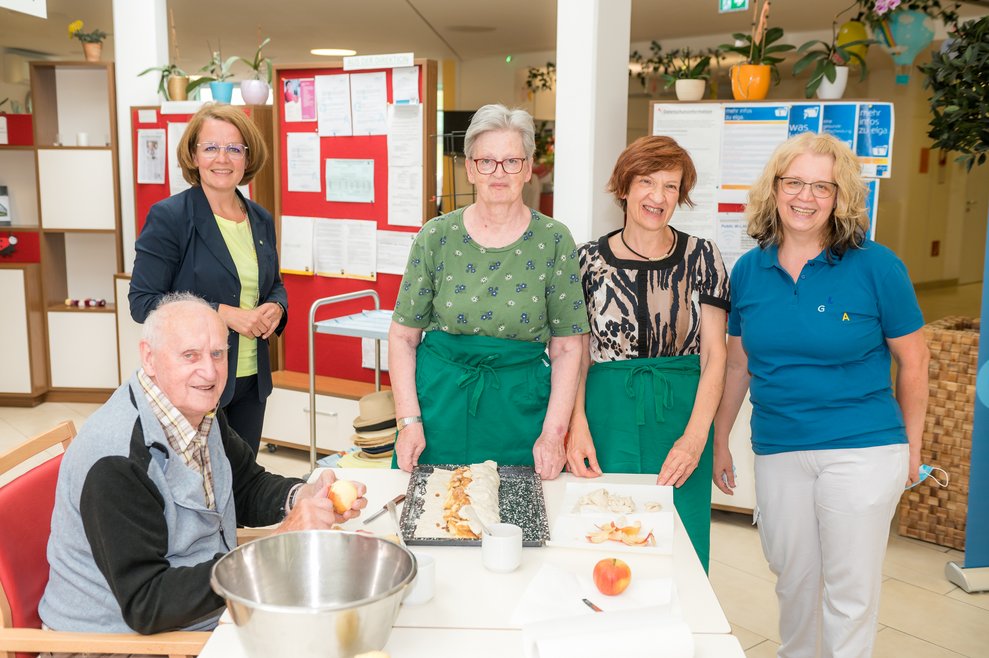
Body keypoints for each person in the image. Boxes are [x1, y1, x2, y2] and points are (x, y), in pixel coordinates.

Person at [712, 132, 929, 657]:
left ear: (840, 197)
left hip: (863, 446)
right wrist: (719, 441)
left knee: (849, 591)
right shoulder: (749, 270)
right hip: (779, 446)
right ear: (774, 188)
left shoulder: (877, 266)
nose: (805, 197)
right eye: (794, 182)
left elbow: (915, 361)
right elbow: (738, 364)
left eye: (821, 187)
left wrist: (912, 447)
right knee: (792, 578)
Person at [39, 293, 366, 636]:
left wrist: (303, 496)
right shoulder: (118, 459)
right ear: (149, 357)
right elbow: (147, 604)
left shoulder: (199, 411)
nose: (209, 372)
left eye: (218, 354)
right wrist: (273, 548)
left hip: (203, 606)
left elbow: (245, 485)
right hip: (117, 642)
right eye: (190, 355)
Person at [389, 104, 589, 480]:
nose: (499, 172)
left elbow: (567, 347)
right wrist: (409, 421)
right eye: (486, 161)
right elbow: (402, 337)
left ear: (528, 169)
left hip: (521, 413)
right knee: (434, 510)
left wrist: (553, 433)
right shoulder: (435, 236)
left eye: (511, 161)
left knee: (519, 512)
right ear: (470, 168)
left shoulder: (554, 240)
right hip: (438, 410)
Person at [567, 136, 729, 571]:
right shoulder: (586, 261)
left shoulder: (704, 257)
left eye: (671, 186)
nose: (658, 196)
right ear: (624, 187)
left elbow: (715, 356)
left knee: (680, 542)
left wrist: (695, 439)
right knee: (605, 533)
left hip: (682, 417)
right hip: (606, 417)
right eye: (647, 182)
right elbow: (576, 356)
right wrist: (575, 426)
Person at [129, 102, 286, 456]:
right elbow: (143, 302)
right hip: (194, 379)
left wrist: (277, 307)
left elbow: (272, 284)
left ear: (247, 157)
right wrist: (224, 314)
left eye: (234, 149)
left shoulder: (259, 218)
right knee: (195, 482)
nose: (223, 158)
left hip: (250, 378)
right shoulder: (170, 217)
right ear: (193, 155)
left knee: (242, 481)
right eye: (211, 147)